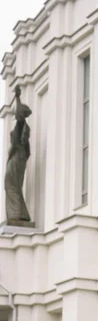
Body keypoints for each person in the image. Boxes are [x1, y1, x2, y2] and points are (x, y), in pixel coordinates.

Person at [5, 85, 32, 223]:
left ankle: (16, 213)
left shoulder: (21, 125)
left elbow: (19, 115)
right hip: (17, 158)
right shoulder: (19, 127)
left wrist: (17, 97)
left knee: (11, 184)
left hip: (18, 158)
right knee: (13, 185)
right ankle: (20, 214)